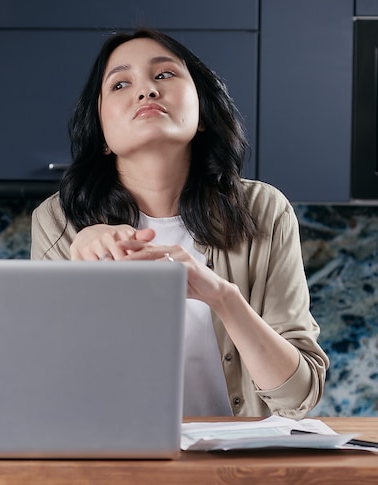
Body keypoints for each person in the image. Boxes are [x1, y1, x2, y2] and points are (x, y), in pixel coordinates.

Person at [31, 29, 328, 418]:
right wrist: (86, 271)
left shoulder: (263, 210)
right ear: (101, 133)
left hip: (234, 469)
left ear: (202, 113)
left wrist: (222, 296)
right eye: (120, 83)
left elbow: (298, 397)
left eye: (165, 75)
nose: (147, 91)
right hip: (116, 460)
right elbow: (48, 386)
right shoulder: (58, 221)